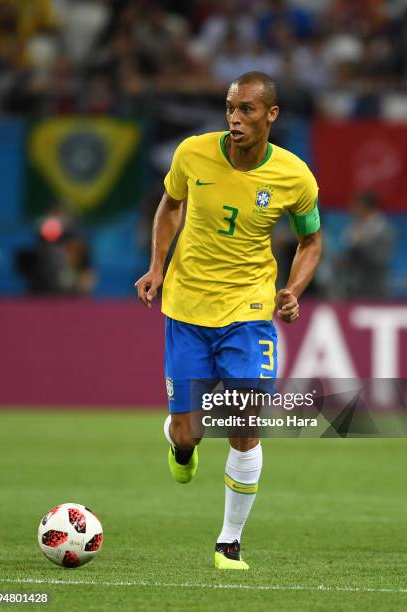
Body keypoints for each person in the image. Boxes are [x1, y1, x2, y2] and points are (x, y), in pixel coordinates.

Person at [135, 71, 322, 570]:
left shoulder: (294, 177)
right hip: (187, 310)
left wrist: (293, 290)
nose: (235, 119)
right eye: (230, 108)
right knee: (188, 432)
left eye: (246, 110)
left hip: (249, 313)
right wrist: (157, 266)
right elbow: (170, 205)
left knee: (245, 422)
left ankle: (229, 543)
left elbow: (311, 240)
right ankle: (179, 446)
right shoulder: (192, 153)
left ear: (272, 115)